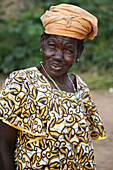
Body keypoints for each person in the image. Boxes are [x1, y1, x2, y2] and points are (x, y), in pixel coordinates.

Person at [0, 3, 107, 170]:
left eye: (68, 51)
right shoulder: (20, 82)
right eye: (52, 47)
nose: (58, 57)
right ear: (43, 42)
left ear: (79, 52)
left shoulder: (80, 87)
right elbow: (3, 145)